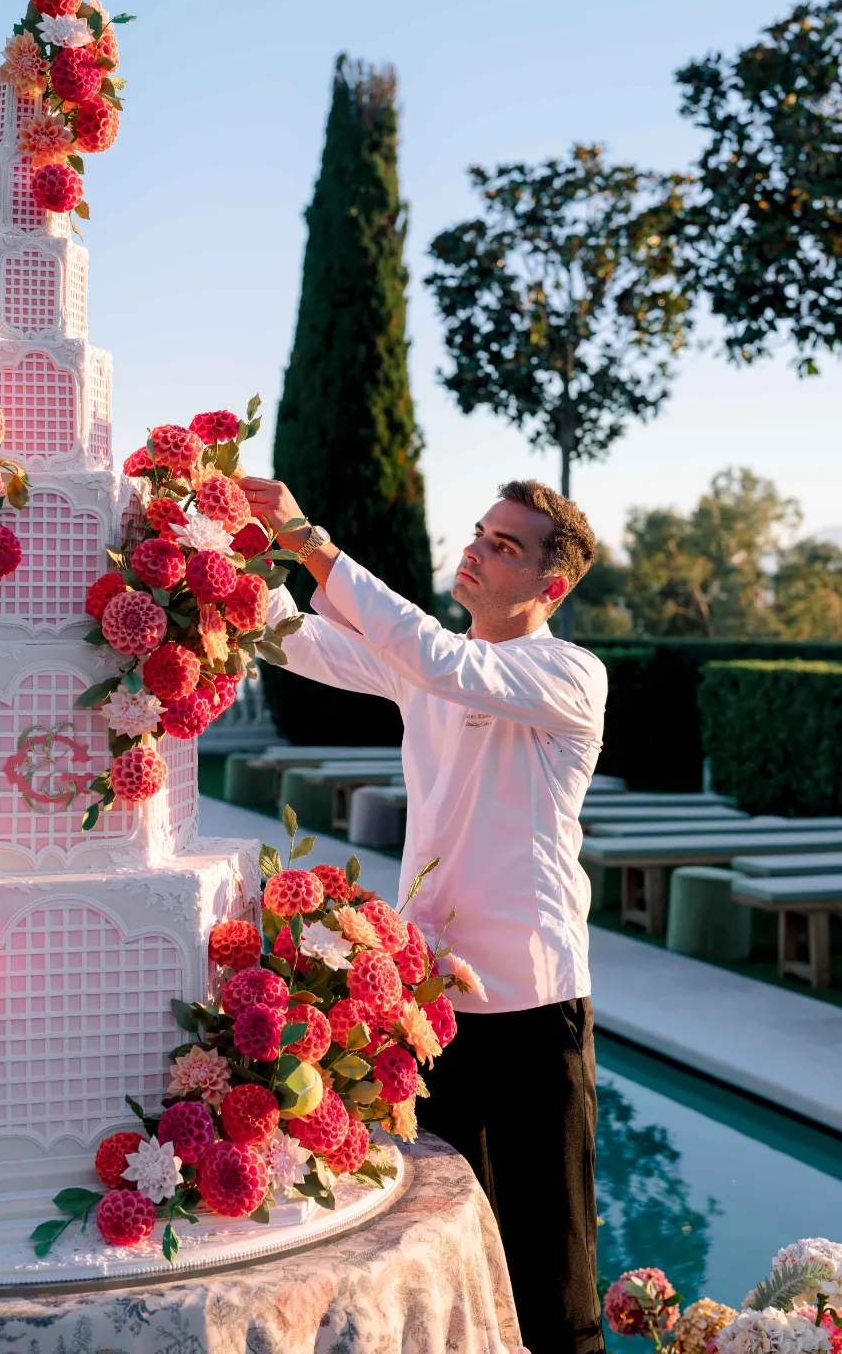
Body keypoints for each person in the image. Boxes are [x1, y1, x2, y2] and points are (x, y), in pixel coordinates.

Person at [239, 474, 608, 1354]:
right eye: (480, 532)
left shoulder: (566, 673)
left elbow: (445, 662)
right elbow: (295, 640)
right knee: (446, 1260)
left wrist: (311, 540)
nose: (475, 549)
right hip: (429, 1007)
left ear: (550, 588)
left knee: (554, 1281)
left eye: (505, 546)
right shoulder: (435, 668)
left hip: (530, 1008)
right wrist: (217, 563)